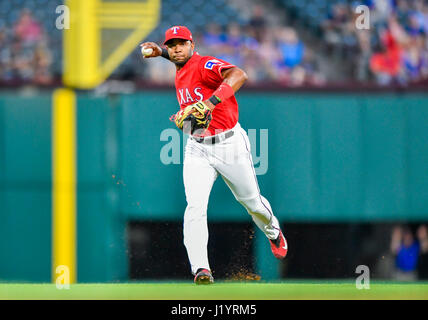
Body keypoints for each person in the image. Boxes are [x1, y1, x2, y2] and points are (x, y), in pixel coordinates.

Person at [140, 26, 287, 284]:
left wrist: (209, 103)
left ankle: (273, 231)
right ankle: (201, 269)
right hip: (197, 147)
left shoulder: (204, 64)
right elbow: (177, 58)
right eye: (171, 44)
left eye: (181, 43)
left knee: (251, 202)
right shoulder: (180, 65)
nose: (176, 48)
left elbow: (239, 74)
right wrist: (159, 51)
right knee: (195, 207)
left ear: (192, 45)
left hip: (229, 144)